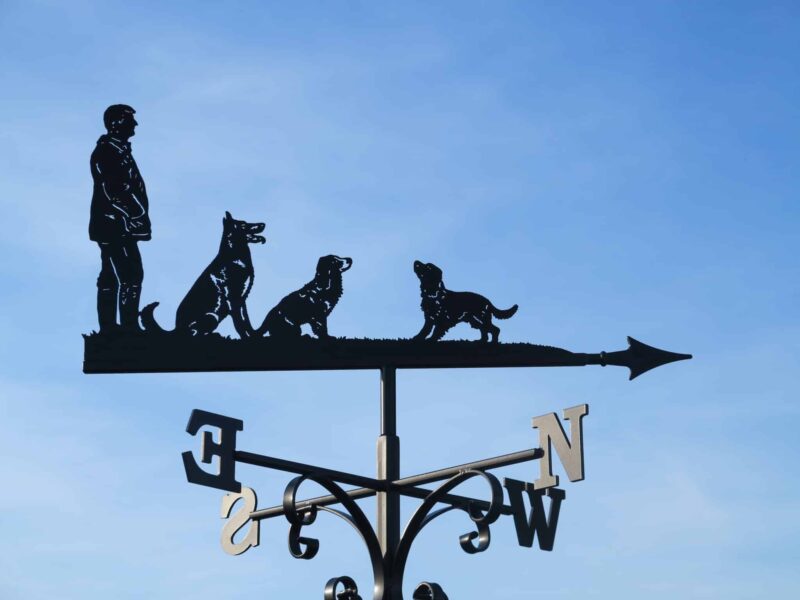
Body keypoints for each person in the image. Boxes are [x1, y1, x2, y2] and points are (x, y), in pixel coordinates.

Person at [89, 104, 151, 333]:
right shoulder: (108, 151)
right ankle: (128, 328)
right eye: (129, 120)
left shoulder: (116, 150)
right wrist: (136, 214)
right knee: (130, 275)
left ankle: (111, 327)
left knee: (112, 275)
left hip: (114, 223)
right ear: (116, 123)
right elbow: (116, 189)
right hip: (116, 224)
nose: (135, 124)